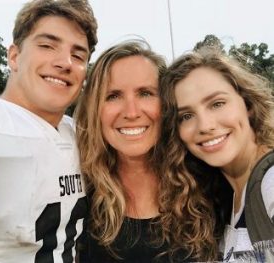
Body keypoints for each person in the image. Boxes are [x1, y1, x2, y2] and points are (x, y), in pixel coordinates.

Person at [0, 0, 97, 262]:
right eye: (47, 45)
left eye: (78, 55)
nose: (65, 62)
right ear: (14, 56)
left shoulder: (81, 134)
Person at [75, 40, 217, 263]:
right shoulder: (76, 199)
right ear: (94, 110)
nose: (131, 113)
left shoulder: (211, 182)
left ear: (167, 104)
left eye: (145, 93)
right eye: (113, 96)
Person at [160, 47, 274, 261]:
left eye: (217, 104)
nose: (205, 126)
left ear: (247, 103)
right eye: (186, 116)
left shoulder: (270, 182)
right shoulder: (225, 199)